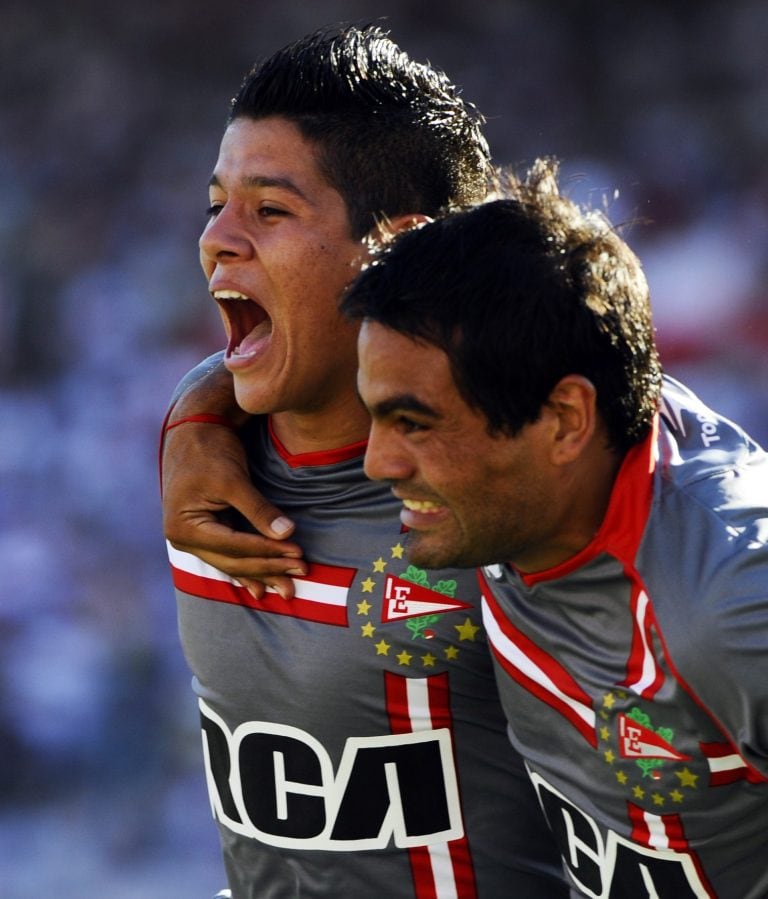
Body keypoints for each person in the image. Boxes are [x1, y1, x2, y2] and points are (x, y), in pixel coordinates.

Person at [161, 26, 568, 898]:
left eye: (270, 211)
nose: (217, 241)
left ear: (398, 249)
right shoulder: (208, 465)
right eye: (215, 205)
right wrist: (191, 417)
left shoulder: (504, 506)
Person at [341, 158, 768, 898]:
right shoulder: (548, 429)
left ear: (565, 421)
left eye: (411, 422)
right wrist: (200, 420)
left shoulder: (728, 605)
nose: (377, 462)